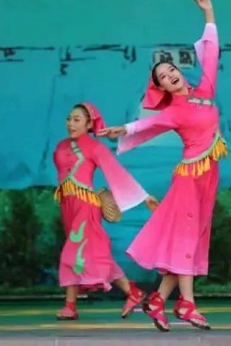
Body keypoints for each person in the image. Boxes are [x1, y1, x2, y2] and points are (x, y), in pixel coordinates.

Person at [99, 0, 226, 332]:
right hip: (189, 179)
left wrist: (209, 13)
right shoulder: (174, 112)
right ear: (163, 88)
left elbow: (212, 52)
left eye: (172, 70)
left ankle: (157, 300)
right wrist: (123, 129)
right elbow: (147, 125)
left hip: (208, 177)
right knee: (186, 239)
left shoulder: (206, 89)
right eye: (164, 77)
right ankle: (187, 304)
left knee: (191, 240)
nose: (171, 75)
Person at [53, 103, 157, 320]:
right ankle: (133, 292)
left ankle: (70, 306)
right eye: (69, 119)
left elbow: (117, 173)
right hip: (68, 206)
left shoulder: (95, 148)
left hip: (85, 206)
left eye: (77, 120)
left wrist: (144, 197)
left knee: (72, 252)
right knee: (94, 255)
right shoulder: (61, 146)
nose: (71, 124)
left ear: (89, 124)